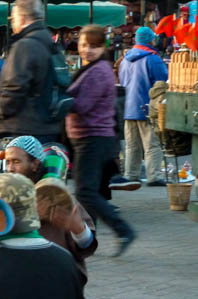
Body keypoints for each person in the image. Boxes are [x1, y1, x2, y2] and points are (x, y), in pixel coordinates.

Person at [67, 25, 136, 257]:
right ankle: (89, 240)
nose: (88, 50)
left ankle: (122, 230)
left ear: (103, 47)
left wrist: (63, 102)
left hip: (93, 137)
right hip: (89, 137)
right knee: (89, 190)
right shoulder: (92, 68)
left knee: (86, 191)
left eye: (94, 46)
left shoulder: (99, 71)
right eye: (84, 45)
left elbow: (84, 105)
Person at [3, 136, 97, 284]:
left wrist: (78, 229)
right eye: (8, 162)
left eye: (16, 162)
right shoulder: (3, 196)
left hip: (55, 278)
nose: (10, 169)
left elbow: (86, 245)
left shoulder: (60, 197)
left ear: (35, 164)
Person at [0, 0, 60, 143]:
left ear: (21, 18)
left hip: (25, 126)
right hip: (48, 125)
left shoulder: (24, 46)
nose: (12, 23)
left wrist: (0, 112)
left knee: (23, 165)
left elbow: (14, 87)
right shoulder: (48, 42)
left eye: (12, 19)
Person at [117, 26, 168, 188]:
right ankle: (154, 176)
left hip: (128, 108)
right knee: (152, 144)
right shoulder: (153, 58)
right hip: (148, 107)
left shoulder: (125, 60)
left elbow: (123, 82)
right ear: (150, 39)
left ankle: (131, 174)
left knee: (132, 145)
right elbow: (162, 81)